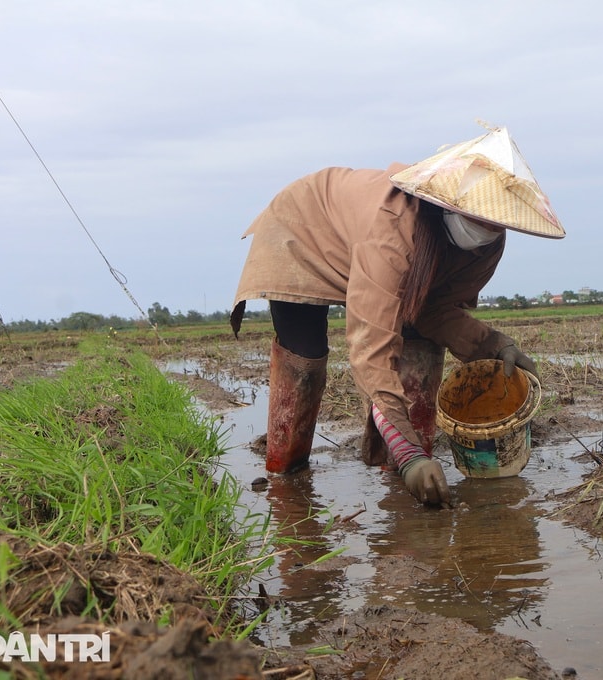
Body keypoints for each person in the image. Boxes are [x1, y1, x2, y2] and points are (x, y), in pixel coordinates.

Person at [229, 124, 565, 508]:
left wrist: (492, 345)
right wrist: (409, 453)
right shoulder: (392, 229)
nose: (488, 228)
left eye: (497, 220)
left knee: (421, 347)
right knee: (304, 357)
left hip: (361, 243)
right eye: (479, 217)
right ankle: (286, 477)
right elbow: (372, 347)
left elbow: (435, 311)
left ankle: (403, 476)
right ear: (448, 203)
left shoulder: (487, 245)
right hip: (302, 231)